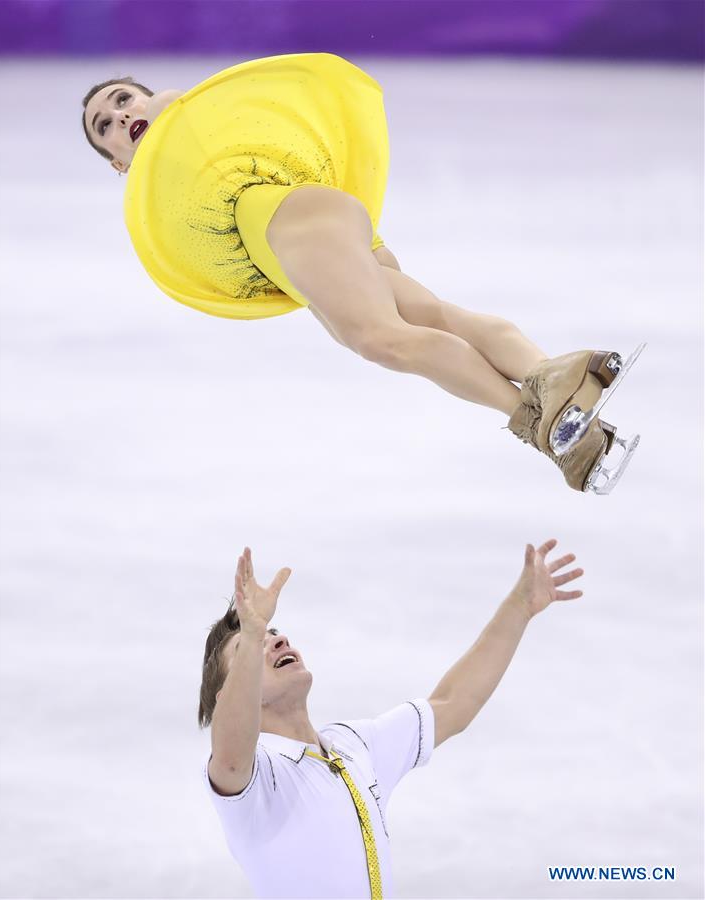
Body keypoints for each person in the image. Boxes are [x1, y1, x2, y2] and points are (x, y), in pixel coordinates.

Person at [81, 54, 642, 493]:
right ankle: (563, 387)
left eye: (124, 99)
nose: (122, 116)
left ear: (153, 96)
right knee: (433, 318)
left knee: (381, 340)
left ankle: (541, 423)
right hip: (313, 236)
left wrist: (162, 113)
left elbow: (187, 115)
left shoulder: (183, 114)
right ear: (115, 164)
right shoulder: (155, 189)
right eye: (104, 124)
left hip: (290, 221)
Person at [198, 542, 584, 898]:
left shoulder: (353, 747)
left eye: (274, 632)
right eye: (253, 645)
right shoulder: (255, 781)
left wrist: (521, 605)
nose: (277, 640)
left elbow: (453, 702)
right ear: (227, 694)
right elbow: (231, 749)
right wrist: (250, 633)